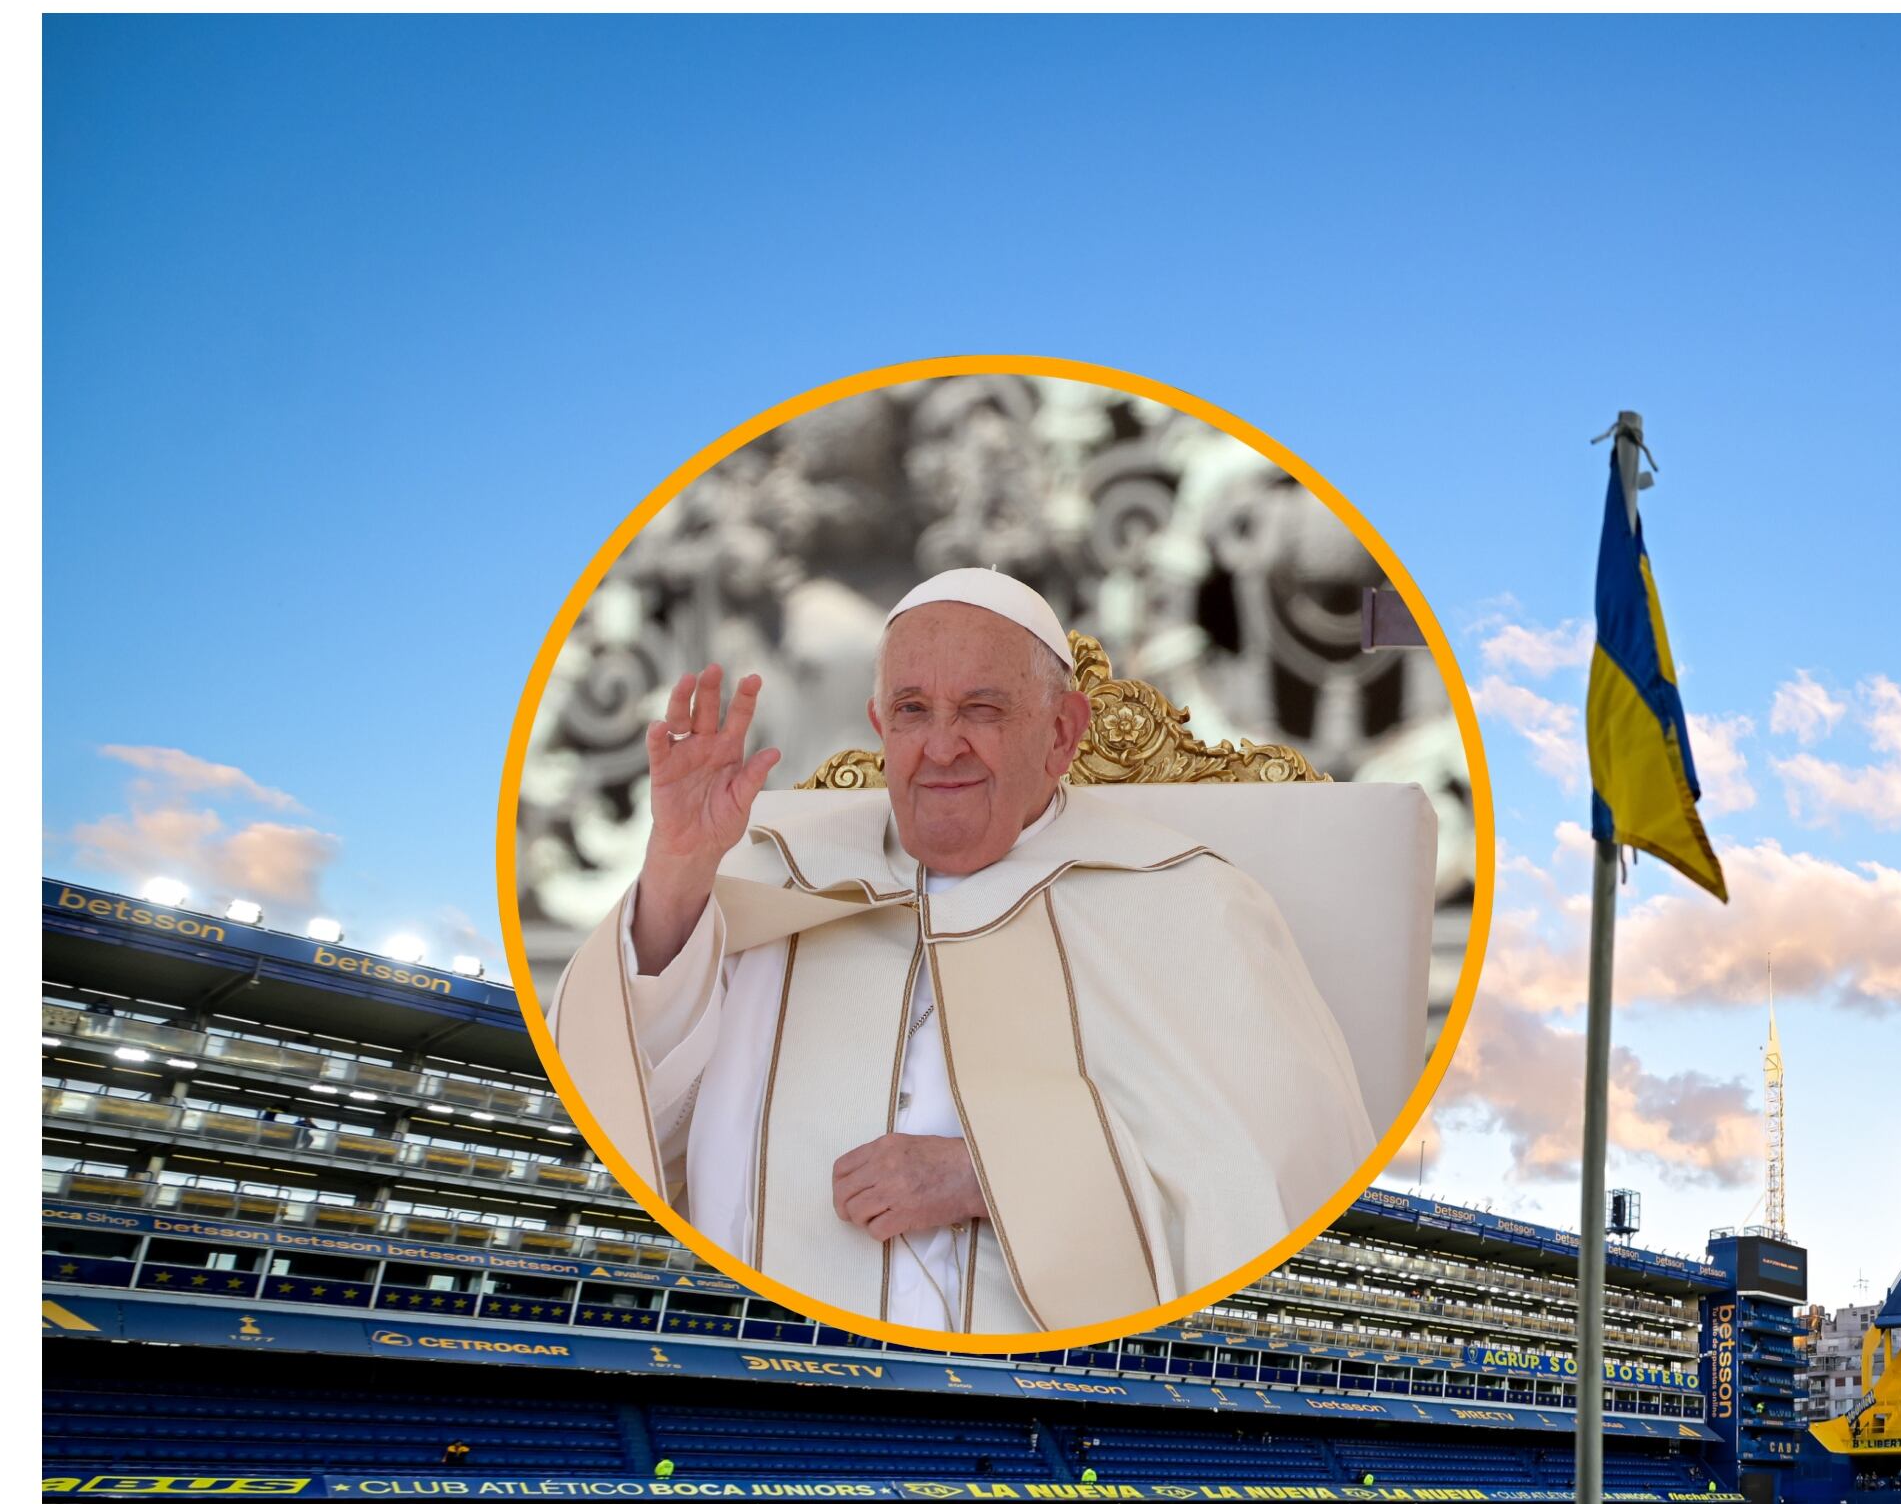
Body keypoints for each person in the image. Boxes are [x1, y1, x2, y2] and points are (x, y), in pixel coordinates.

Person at [549, 569, 1376, 1333]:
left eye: (981, 709)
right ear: (880, 726)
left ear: (1062, 733)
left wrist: (995, 1176)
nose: (941, 747)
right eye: (913, 710)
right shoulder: (771, 875)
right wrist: (679, 869)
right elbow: (616, 1110)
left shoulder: (1188, 903)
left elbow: (1276, 1189)